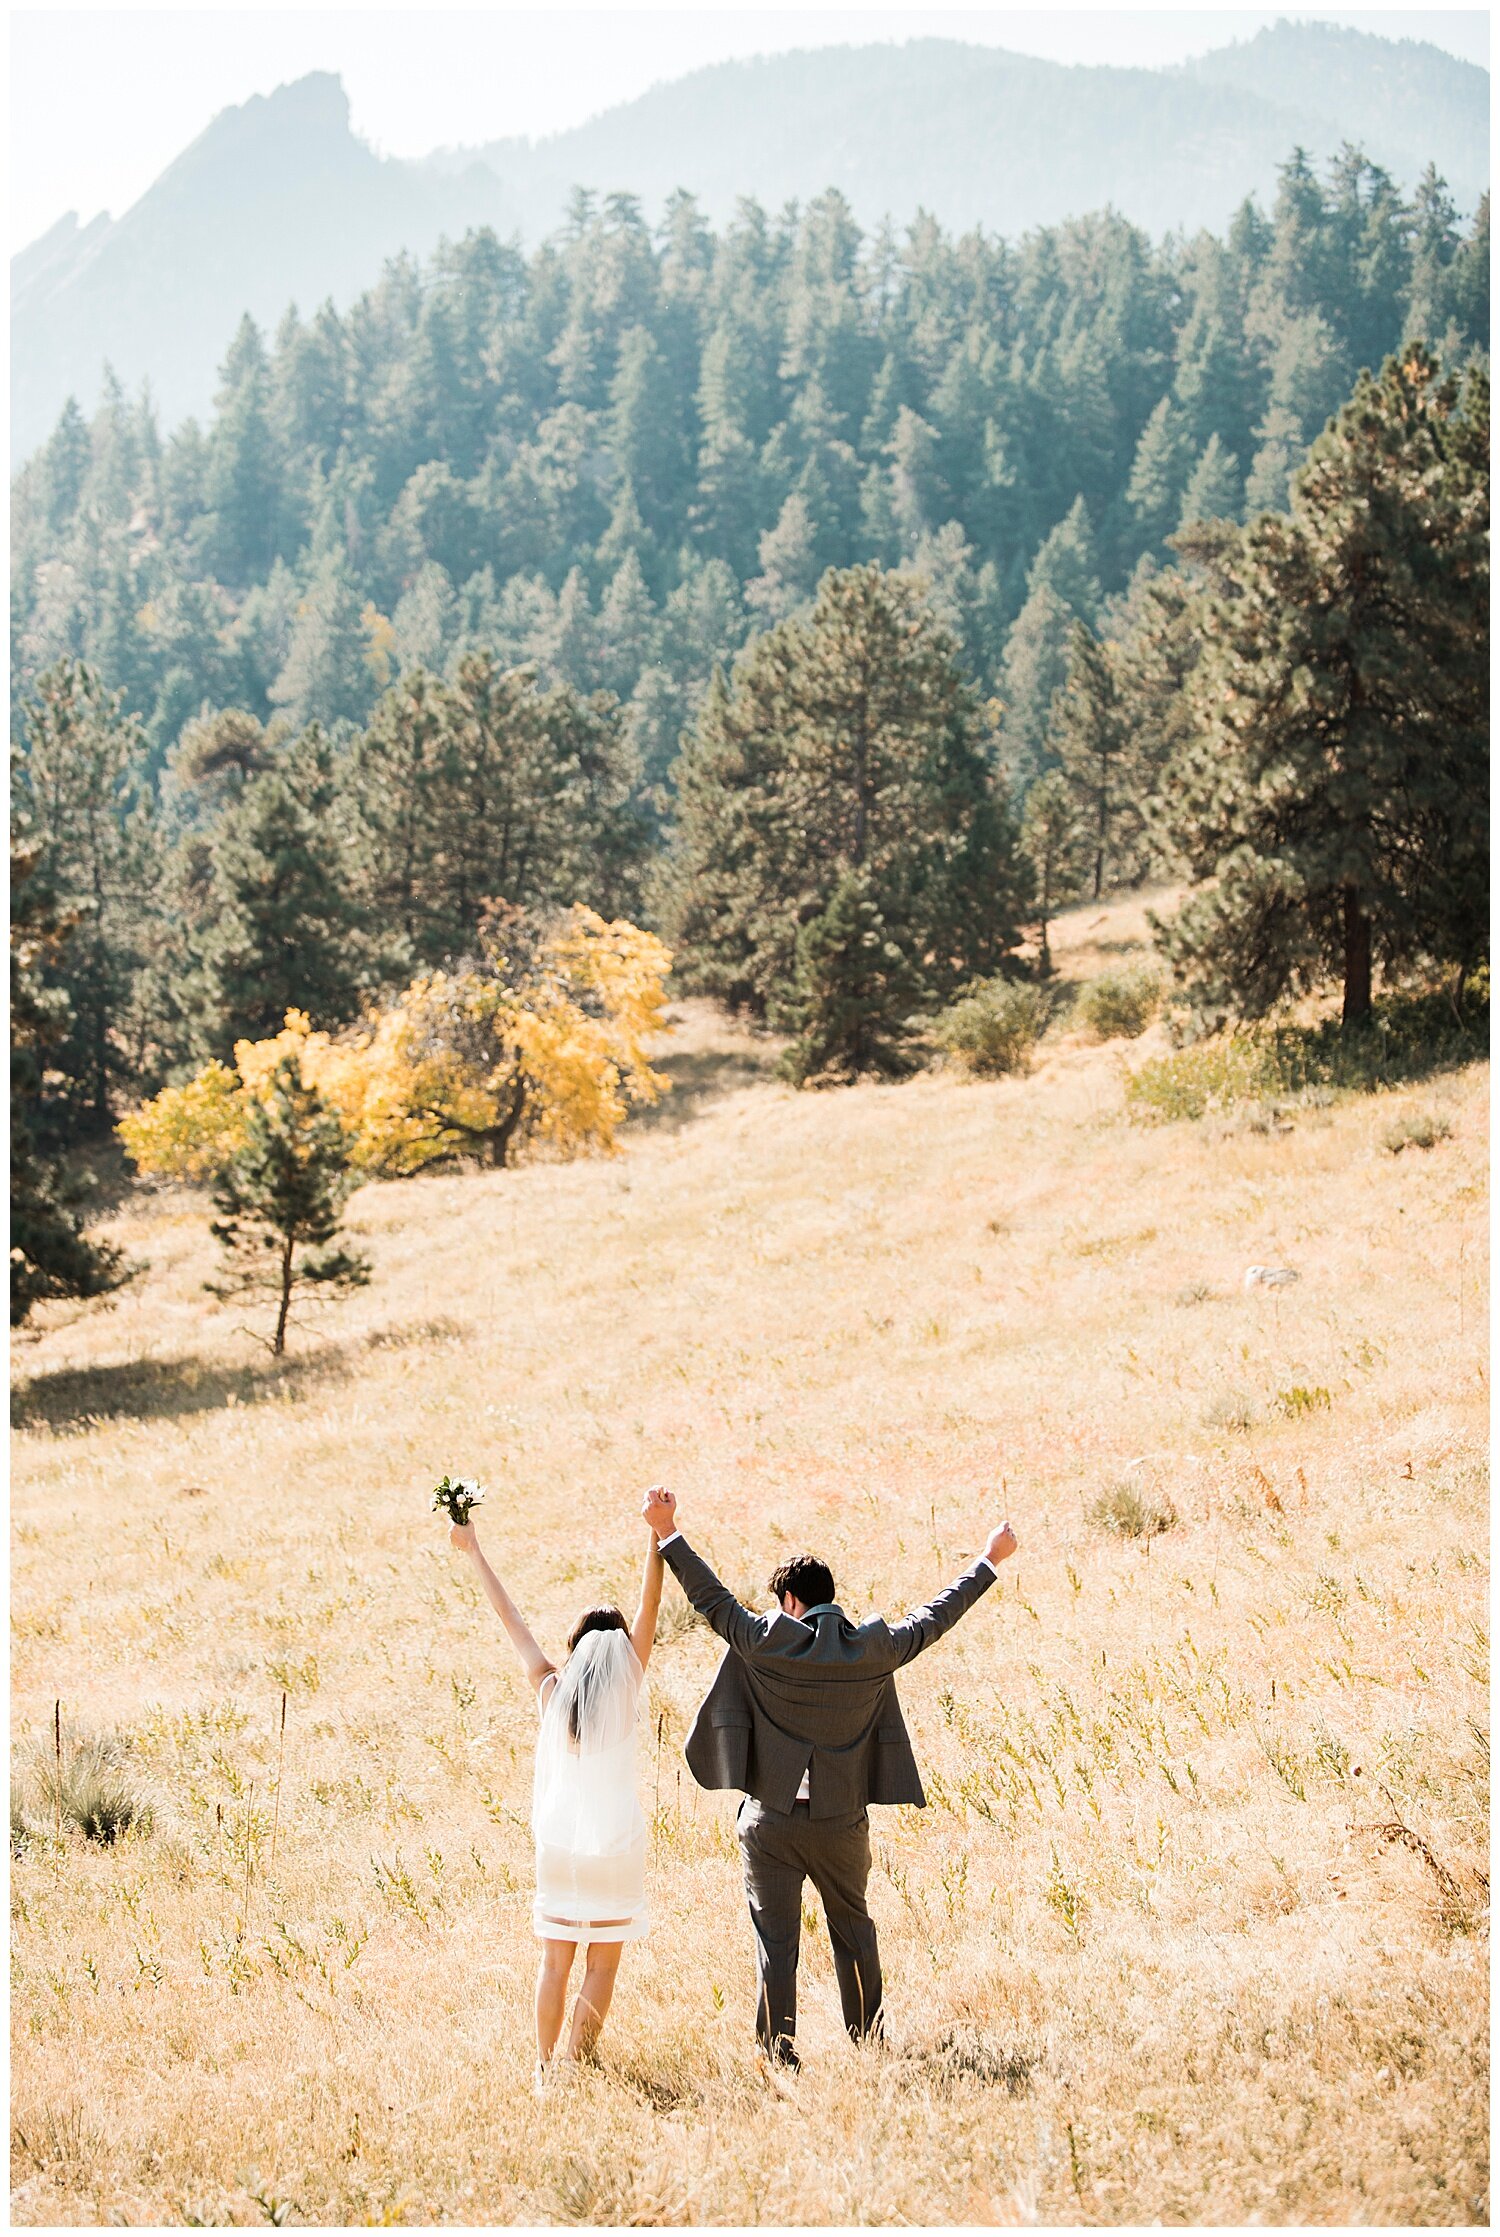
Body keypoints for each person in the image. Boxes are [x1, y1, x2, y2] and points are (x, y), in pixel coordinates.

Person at [640, 1485, 1017, 2070]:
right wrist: (988, 1559)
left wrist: (666, 1531)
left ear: (790, 1602)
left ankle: (778, 2052)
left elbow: (712, 1601)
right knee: (853, 1929)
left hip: (771, 1821)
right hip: (842, 1822)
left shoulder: (766, 1642)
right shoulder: (875, 1648)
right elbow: (938, 1616)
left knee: (776, 1940)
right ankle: (868, 2040)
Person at [449, 1503, 665, 2088]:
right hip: (614, 1847)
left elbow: (508, 1615)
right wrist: (657, 1534)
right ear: (621, 1652)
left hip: (560, 1848)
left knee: (554, 1961)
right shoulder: (629, 1686)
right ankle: (577, 2061)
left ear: (573, 1649)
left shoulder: (550, 1691)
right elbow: (650, 1606)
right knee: (603, 1964)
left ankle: (544, 2069)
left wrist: (474, 1550)